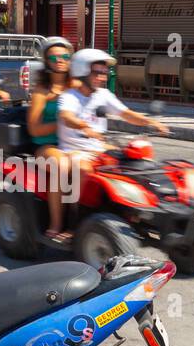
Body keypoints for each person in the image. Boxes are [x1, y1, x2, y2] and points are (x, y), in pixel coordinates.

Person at [58, 48, 169, 166]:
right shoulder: (69, 96)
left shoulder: (104, 94)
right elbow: (66, 117)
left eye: (104, 73)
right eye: (97, 73)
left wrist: (151, 122)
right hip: (74, 151)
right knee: (85, 169)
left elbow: (126, 114)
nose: (103, 78)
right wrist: (84, 127)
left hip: (99, 149)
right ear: (81, 72)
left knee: (138, 163)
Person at [26, 37, 75, 241]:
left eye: (64, 56)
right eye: (53, 57)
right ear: (47, 61)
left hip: (75, 143)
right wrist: (63, 123)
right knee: (61, 166)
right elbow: (34, 129)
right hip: (47, 145)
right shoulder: (41, 91)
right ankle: (57, 224)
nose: (59, 60)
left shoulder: (78, 86)